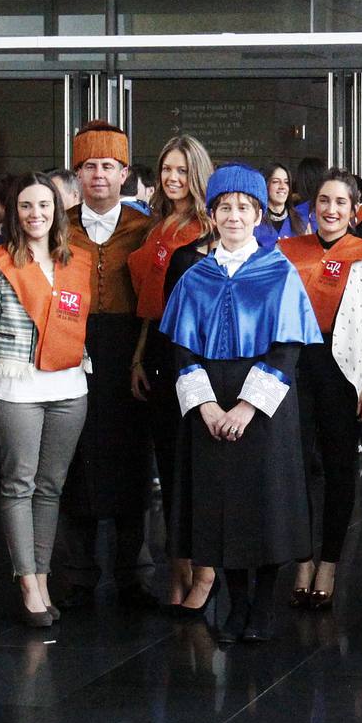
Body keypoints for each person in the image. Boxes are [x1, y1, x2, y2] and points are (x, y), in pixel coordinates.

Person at [159, 164, 323, 644]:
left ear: (258, 215)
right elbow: (181, 349)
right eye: (224, 207)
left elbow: (287, 349)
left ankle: (263, 607)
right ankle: (234, 604)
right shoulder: (195, 277)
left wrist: (247, 408)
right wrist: (207, 408)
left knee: (266, 502)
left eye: (244, 208)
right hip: (210, 403)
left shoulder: (279, 273)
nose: (234, 216)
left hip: (264, 407)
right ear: (212, 215)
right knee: (219, 504)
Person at [0, 173, 92, 629]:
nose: (36, 214)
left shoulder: (74, 261)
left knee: (50, 487)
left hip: (69, 387)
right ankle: (27, 583)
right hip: (16, 387)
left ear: (57, 211)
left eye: (44, 205)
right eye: (26, 206)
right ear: (13, 213)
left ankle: (43, 576)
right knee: (18, 484)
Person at [54, 121, 158, 610]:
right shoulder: (59, 225)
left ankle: (132, 572)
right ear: (77, 176)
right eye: (89, 166)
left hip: (128, 352)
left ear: (125, 175)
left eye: (108, 167)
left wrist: (141, 356)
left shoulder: (147, 230)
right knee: (74, 458)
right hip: (70, 346)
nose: (99, 175)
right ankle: (77, 572)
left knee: (131, 459)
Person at [278, 169, 362, 610]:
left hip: (342, 371)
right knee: (298, 465)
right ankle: (303, 558)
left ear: (353, 208)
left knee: (340, 467)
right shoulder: (288, 252)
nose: (330, 210)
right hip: (294, 368)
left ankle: (330, 562)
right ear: (312, 205)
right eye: (323, 201)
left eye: (340, 202)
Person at [126, 135, 215, 613]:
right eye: (166, 169)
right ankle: (178, 569)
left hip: (194, 352)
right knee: (169, 468)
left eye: (182, 170)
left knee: (194, 469)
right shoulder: (157, 226)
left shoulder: (207, 228)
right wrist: (139, 356)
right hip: (158, 347)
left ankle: (205, 571)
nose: (172, 178)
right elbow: (149, 302)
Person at [257, 163, 314, 247]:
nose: (282, 186)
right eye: (276, 182)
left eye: (286, 182)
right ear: (265, 185)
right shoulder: (254, 221)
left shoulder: (302, 221)